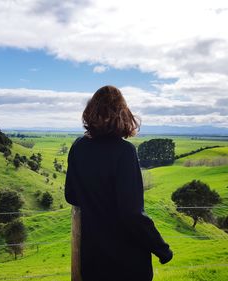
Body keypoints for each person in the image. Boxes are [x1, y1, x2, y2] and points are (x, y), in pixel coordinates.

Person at [65, 85, 173, 281]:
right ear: (123, 114)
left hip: (93, 260)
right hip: (126, 263)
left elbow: (71, 195)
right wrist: (161, 249)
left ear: (90, 112)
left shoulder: (78, 147)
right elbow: (131, 213)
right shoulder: (125, 151)